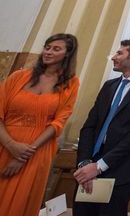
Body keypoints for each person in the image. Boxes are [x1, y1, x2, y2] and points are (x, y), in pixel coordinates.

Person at [73, 38, 130, 216]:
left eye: (119, 53)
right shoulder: (109, 86)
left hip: (120, 167)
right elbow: (90, 126)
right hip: (89, 165)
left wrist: (99, 166)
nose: (114, 57)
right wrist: (85, 163)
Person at [0, 34, 80, 216]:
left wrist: (22, 156)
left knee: (19, 202)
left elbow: (59, 122)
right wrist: (11, 145)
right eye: (47, 47)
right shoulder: (18, 77)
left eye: (56, 49)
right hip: (4, 142)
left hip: (36, 151)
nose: (48, 52)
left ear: (68, 54)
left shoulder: (70, 84)